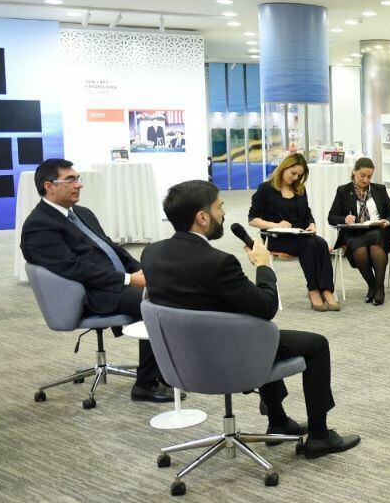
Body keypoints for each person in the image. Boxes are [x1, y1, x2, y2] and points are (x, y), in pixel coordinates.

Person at [143, 180, 359, 459]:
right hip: (226, 355)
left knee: (261, 334)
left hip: (182, 356)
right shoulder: (219, 262)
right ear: (202, 217)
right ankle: (319, 436)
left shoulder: (152, 253)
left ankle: (279, 421)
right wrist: (263, 266)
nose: (224, 213)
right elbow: (266, 307)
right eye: (220, 207)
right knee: (314, 344)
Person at [20, 158, 173, 403]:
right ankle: (146, 384)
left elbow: (112, 249)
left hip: (111, 283)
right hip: (88, 294)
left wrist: (143, 271)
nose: (79, 185)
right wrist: (127, 280)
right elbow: (73, 269)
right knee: (155, 303)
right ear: (49, 187)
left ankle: (164, 373)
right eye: (70, 180)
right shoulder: (39, 226)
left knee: (168, 289)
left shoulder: (82, 213)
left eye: (78, 179)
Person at [248, 153, 338, 312]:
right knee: (310, 245)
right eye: (293, 173)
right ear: (284, 167)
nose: (295, 178)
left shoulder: (299, 190)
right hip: (275, 237)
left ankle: (326, 290)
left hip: (299, 235)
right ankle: (313, 290)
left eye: (299, 175)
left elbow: (307, 214)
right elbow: (252, 219)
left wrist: (312, 224)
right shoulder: (265, 189)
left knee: (321, 243)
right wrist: (276, 225)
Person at [326, 157, 390, 306]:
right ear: (354, 172)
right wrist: (345, 219)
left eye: (369, 177)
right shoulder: (343, 191)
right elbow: (331, 217)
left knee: (376, 243)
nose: (366, 180)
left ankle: (379, 289)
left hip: (379, 230)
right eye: (362, 176)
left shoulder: (379, 190)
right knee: (360, 250)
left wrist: (387, 221)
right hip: (354, 233)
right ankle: (373, 285)